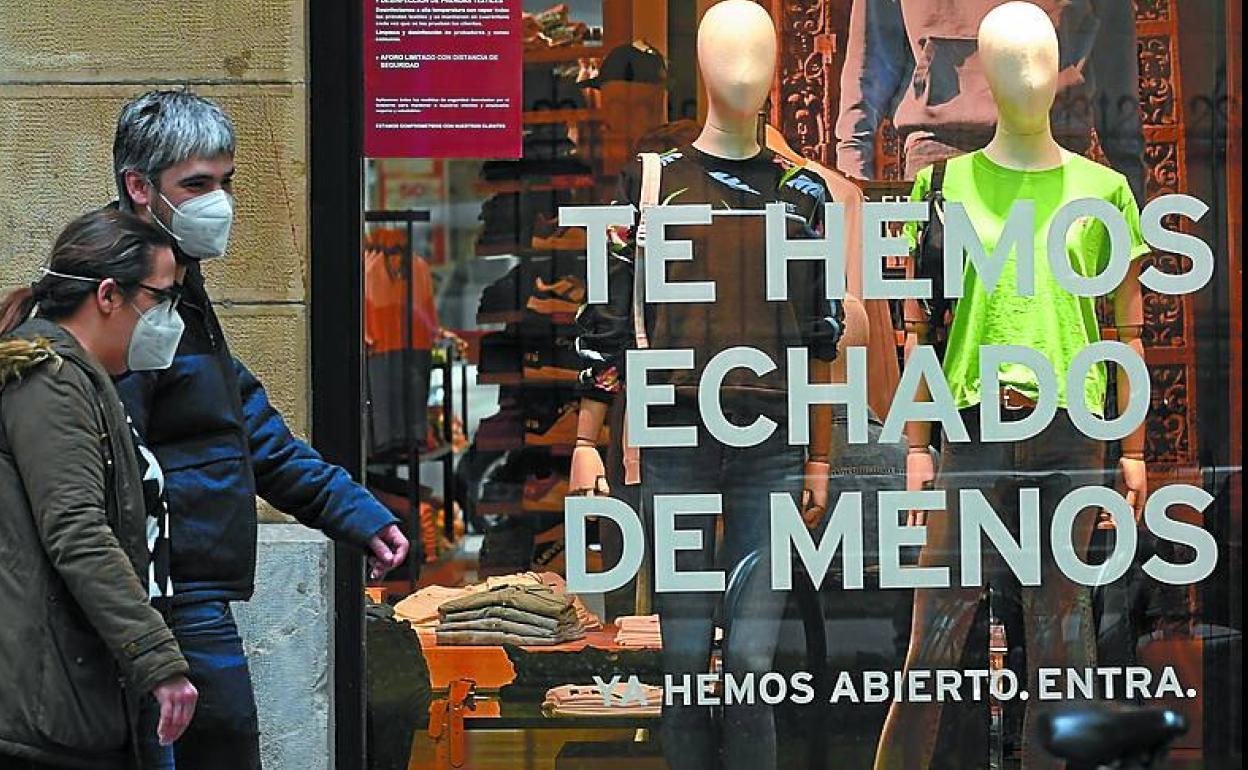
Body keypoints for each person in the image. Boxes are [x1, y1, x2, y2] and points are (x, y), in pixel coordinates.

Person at [874, 6, 1149, 769]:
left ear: (1061, 70)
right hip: (973, 427)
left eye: (1039, 60)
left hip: (1071, 429)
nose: (1027, 76)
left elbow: (1126, 333)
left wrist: (1132, 450)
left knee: (1064, 636)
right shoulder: (942, 186)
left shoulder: (1102, 190)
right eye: (1011, 61)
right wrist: (918, 444)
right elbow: (918, 328)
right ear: (986, 77)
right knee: (934, 635)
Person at [570, 4, 843, 768]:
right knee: (685, 664)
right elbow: (610, 311)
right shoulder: (654, 181)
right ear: (701, 67)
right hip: (676, 435)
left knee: (751, 667)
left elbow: (820, 335)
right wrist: (587, 440)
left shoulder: (803, 193)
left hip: (772, 444)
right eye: (730, 51)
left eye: (760, 52)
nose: (745, 68)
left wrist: (820, 456)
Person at [109, 89, 409, 768]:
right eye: (196, 185)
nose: (218, 202)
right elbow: (111, 466)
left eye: (226, 181)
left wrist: (353, 511)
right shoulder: (127, 295)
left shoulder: (177, 286)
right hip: (166, 597)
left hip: (186, 590)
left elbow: (245, 427)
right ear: (139, 187)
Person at [0, 209, 199, 769]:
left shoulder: (78, 376)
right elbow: (77, 531)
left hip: (67, 689)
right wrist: (158, 659)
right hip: (43, 708)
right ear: (109, 295)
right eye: (162, 297)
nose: (169, 317)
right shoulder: (51, 380)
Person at [834, 0, 1145, 201]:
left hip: (1053, 145)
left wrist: (1130, 182)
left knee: (1056, 286)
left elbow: (1114, 54)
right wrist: (852, 179)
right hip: (942, 149)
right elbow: (870, 58)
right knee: (944, 284)